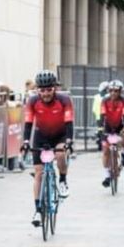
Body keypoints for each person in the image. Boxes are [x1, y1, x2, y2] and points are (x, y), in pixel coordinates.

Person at [21, 70, 74, 227]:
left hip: (60, 135)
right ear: (38, 90)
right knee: (39, 173)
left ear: (55, 88)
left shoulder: (64, 100)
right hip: (41, 136)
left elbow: (69, 122)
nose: (45, 93)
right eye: (42, 90)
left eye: (49, 89)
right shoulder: (32, 101)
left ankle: (63, 180)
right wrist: (25, 142)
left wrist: (69, 141)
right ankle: (38, 210)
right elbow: (29, 123)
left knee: (59, 155)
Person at [101, 81, 124, 188]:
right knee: (105, 151)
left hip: (120, 124)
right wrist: (101, 129)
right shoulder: (105, 100)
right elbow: (102, 116)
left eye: (116, 91)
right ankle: (107, 176)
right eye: (111, 91)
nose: (113, 93)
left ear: (120, 91)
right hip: (108, 125)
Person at [92, 81, 109, 151]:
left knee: (100, 130)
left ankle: (100, 144)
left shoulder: (96, 97)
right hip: (105, 116)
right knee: (104, 131)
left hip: (98, 116)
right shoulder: (107, 97)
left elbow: (93, 109)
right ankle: (103, 145)